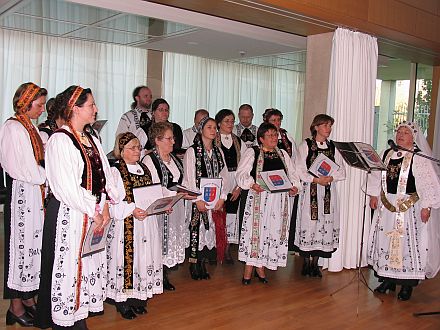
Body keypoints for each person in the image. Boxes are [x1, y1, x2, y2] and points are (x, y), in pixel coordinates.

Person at [34, 86, 118, 329]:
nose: (96, 109)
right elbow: (65, 187)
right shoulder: (60, 140)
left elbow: (106, 176)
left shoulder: (91, 138)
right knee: (69, 270)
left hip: (91, 214)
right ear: (75, 108)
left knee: (84, 268)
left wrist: (107, 204)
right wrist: (95, 208)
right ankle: (65, 321)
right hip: (69, 216)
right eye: (91, 105)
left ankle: (77, 317)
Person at [367, 121, 440, 301]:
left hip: (409, 207)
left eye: (405, 132)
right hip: (387, 205)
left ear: (413, 137)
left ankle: (407, 285)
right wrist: (374, 194)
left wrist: (427, 206)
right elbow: (377, 174)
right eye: (399, 131)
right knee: (386, 241)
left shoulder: (419, 157)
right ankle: (388, 279)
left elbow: (428, 183)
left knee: (407, 244)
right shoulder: (387, 153)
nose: (401, 135)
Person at [0, 82, 47, 327]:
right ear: (25, 103)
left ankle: (28, 298)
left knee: (33, 249)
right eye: (39, 105)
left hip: (35, 193)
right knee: (19, 251)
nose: (42, 110)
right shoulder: (13, 127)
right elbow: (20, 166)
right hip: (22, 194)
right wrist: (46, 176)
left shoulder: (32, 128)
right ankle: (15, 306)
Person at [107, 132, 163, 319]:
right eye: (132, 147)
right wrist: (132, 210)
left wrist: (163, 204)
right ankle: (122, 301)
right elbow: (113, 201)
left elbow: (153, 192)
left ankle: (138, 299)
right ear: (121, 151)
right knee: (127, 260)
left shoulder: (143, 169)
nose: (137, 150)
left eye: (138, 147)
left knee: (143, 259)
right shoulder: (116, 171)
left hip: (146, 223)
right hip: (127, 225)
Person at [236, 122, 300, 284]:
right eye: (270, 135)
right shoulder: (253, 152)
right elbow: (241, 173)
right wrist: (252, 184)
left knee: (271, 232)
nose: (274, 138)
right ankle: (249, 269)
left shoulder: (283, 154)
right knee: (254, 233)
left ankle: (261, 267)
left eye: (275, 134)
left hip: (278, 201)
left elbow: (292, 174)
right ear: (261, 139)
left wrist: (294, 186)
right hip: (259, 198)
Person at [294, 114, 346, 278]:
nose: (328, 129)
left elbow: (341, 170)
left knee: (323, 224)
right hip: (311, 191)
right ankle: (306, 261)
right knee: (309, 223)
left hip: (327, 193)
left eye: (330, 126)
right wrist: (315, 179)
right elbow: (299, 168)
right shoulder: (306, 145)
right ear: (316, 127)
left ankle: (315, 263)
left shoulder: (333, 148)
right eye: (325, 125)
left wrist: (331, 178)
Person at [142, 122, 193, 290]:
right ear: (157, 140)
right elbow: (153, 188)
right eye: (169, 138)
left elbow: (182, 180)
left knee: (170, 240)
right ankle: (156, 275)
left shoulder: (174, 159)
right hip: (159, 208)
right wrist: (173, 195)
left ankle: (163, 273)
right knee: (158, 240)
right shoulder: (149, 160)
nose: (173, 142)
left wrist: (186, 192)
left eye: (173, 138)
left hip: (175, 205)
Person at [183, 116, 231, 280]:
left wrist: (222, 197)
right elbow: (189, 178)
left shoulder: (218, 151)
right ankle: (194, 264)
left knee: (209, 230)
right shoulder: (192, 151)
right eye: (209, 127)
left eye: (214, 127)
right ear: (201, 130)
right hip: (199, 199)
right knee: (197, 229)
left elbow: (224, 176)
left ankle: (203, 262)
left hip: (214, 199)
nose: (213, 130)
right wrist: (197, 199)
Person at [214, 109, 247, 263]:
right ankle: (214, 249)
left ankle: (227, 250)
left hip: (236, 180)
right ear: (219, 123)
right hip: (218, 181)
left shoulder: (239, 142)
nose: (230, 124)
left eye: (232, 121)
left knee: (231, 216)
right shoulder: (213, 140)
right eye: (226, 121)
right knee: (217, 215)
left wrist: (239, 187)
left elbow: (245, 166)